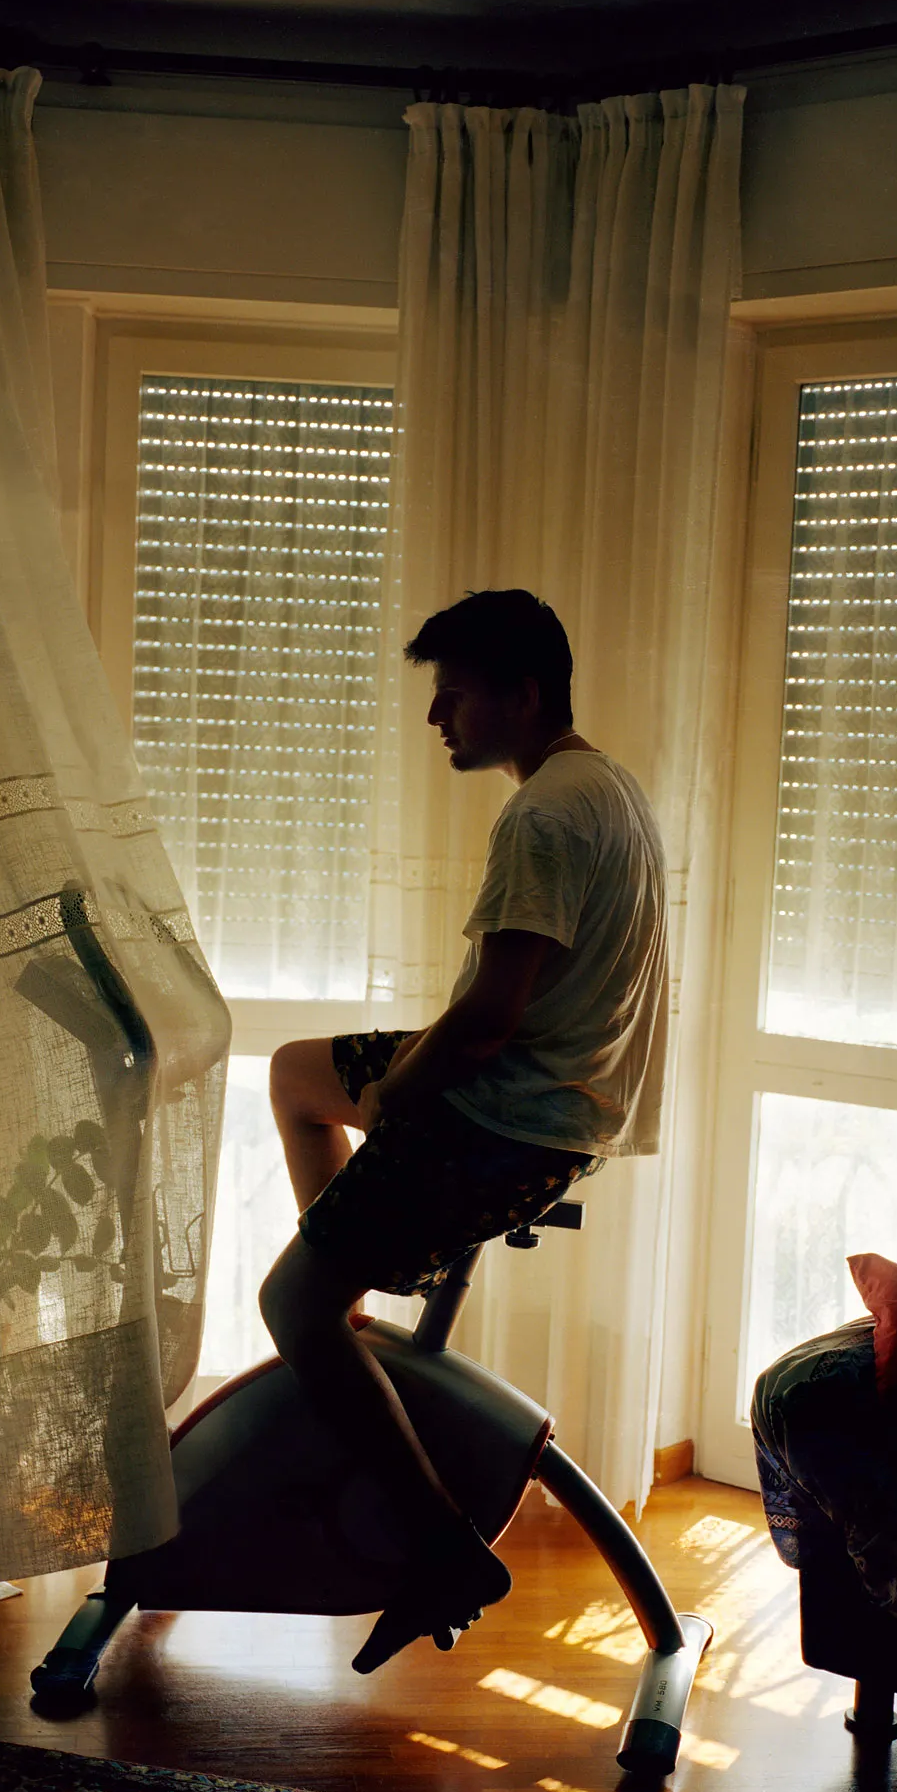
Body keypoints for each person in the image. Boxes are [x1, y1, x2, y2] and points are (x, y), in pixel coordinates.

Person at [258, 588, 670, 1673]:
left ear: (521, 696)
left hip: (506, 1121)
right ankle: (348, 1290)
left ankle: (443, 1547)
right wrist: (392, 1074)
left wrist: (398, 1092)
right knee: (298, 1075)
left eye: (454, 696)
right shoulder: (604, 785)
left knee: (283, 1302)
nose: (436, 717)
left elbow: (486, 1022)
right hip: (549, 1101)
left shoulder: (540, 817)